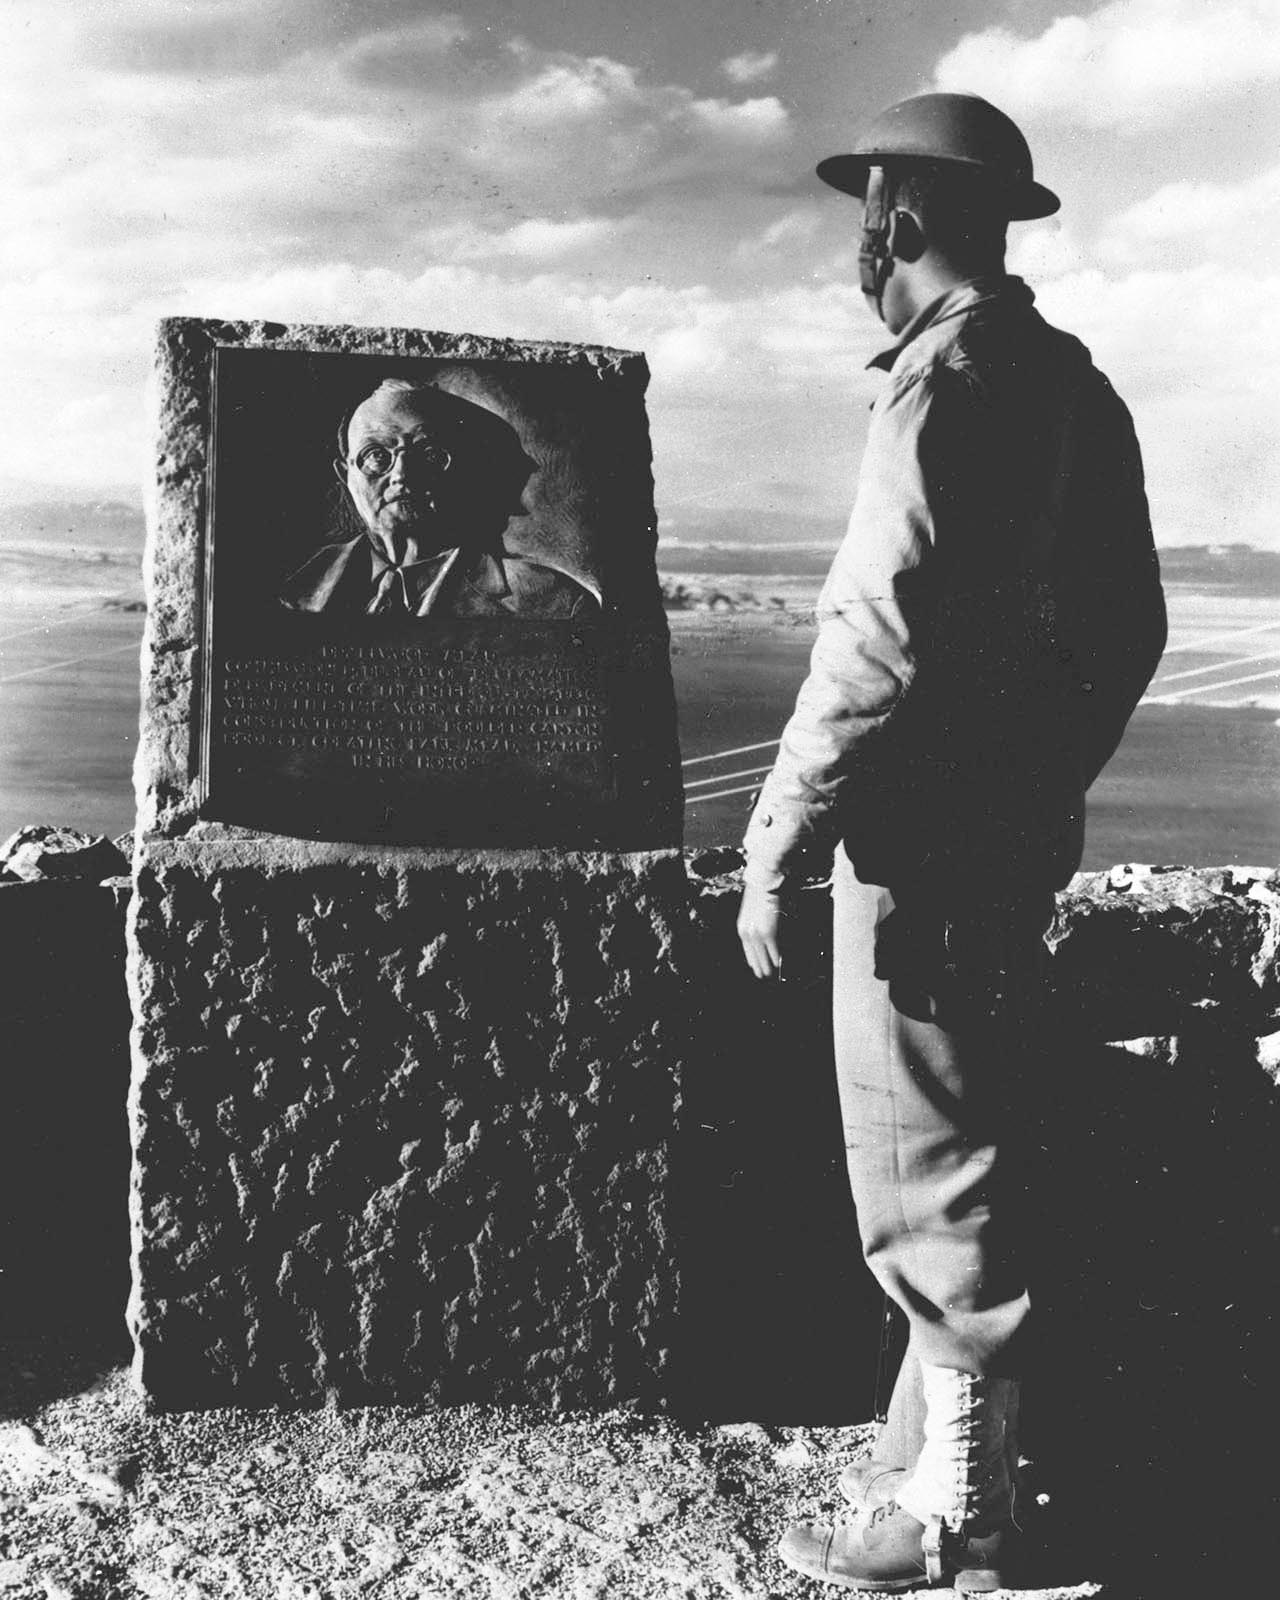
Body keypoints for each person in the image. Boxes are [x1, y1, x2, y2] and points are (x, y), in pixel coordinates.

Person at [736, 92, 1166, 1591]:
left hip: (917, 854)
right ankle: (931, 1475)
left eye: (869, 210)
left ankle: (958, 1521)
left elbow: (873, 638)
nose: (862, 241)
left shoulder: (940, 386)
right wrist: (1037, 782)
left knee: (927, 1176)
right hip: (1007, 841)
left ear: (897, 222)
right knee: (975, 1147)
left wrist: (778, 835)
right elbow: (1129, 630)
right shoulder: (1073, 385)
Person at [279, 378, 601, 619]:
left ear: (464, 470)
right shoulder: (293, 591)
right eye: (376, 455)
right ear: (344, 476)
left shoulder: (556, 604)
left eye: (430, 454)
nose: (403, 474)